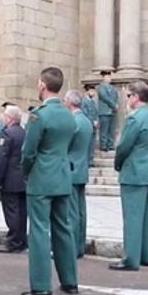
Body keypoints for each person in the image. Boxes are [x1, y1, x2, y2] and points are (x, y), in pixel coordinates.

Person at [21, 67, 78, 295]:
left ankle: (41, 286)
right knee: (63, 229)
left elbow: (28, 152)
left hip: (42, 178)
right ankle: (70, 280)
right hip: (63, 176)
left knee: (39, 232)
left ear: (42, 86)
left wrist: (26, 173)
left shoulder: (39, 115)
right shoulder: (69, 114)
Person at [110, 81, 148, 270]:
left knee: (132, 216)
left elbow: (124, 146)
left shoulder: (134, 118)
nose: (127, 99)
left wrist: (117, 163)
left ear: (136, 97)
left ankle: (131, 258)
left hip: (134, 169)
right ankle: (146, 255)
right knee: (146, 216)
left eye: (129, 96)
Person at [64, 89, 93, 258]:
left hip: (72, 168)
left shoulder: (74, 122)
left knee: (72, 212)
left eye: (65, 100)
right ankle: (80, 244)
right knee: (81, 211)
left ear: (70, 102)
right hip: (82, 168)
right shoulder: (86, 121)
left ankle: (72, 247)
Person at [0, 105, 28, 253]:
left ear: (9, 118)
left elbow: (2, 158)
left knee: (12, 211)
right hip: (23, 178)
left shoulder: (7, 134)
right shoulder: (25, 132)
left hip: (10, 178)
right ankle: (22, 239)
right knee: (22, 211)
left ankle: (13, 241)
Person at [97, 71, 119, 151]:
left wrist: (116, 104)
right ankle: (103, 145)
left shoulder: (113, 88)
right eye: (108, 76)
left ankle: (110, 145)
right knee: (104, 129)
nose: (110, 78)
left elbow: (116, 97)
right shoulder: (101, 87)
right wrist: (114, 105)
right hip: (104, 111)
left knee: (112, 129)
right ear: (103, 78)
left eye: (110, 76)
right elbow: (104, 97)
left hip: (112, 111)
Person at [81, 84, 99, 166]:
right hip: (88, 125)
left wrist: (97, 121)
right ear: (88, 91)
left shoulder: (93, 102)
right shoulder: (83, 102)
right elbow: (85, 113)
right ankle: (87, 161)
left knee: (92, 144)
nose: (94, 93)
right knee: (87, 144)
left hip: (94, 126)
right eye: (92, 91)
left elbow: (96, 113)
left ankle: (91, 160)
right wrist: (92, 121)